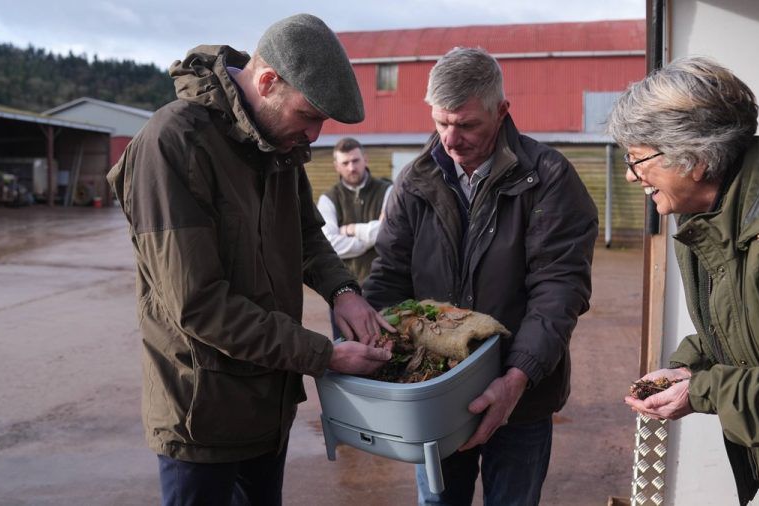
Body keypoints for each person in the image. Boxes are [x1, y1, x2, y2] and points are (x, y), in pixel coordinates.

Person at [106, 14, 394, 506]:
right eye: (308, 115)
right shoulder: (173, 145)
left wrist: (342, 291)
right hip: (202, 419)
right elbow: (199, 305)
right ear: (267, 82)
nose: (315, 134)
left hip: (267, 409)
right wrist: (323, 355)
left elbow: (306, 234)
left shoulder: (278, 144)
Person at [610, 57, 759, 505]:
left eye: (639, 157)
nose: (631, 174)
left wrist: (704, 390)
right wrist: (692, 365)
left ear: (697, 160)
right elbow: (755, 322)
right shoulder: (719, 217)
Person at [362, 47, 599, 505]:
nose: (451, 140)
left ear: (502, 111)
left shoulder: (548, 177)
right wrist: (377, 350)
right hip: (435, 396)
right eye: (441, 123)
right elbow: (388, 277)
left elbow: (558, 289)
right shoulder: (414, 182)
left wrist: (517, 376)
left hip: (521, 397)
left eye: (467, 124)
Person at [317, 137, 392, 338]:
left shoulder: (388, 191)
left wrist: (350, 229)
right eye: (345, 163)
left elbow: (389, 233)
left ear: (365, 159)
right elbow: (330, 244)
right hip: (344, 291)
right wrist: (371, 238)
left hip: (384, 287)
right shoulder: (328, 199)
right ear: (336, 166)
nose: (352, 167)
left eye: (355, 161)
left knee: (388, 347)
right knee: (348, 348)